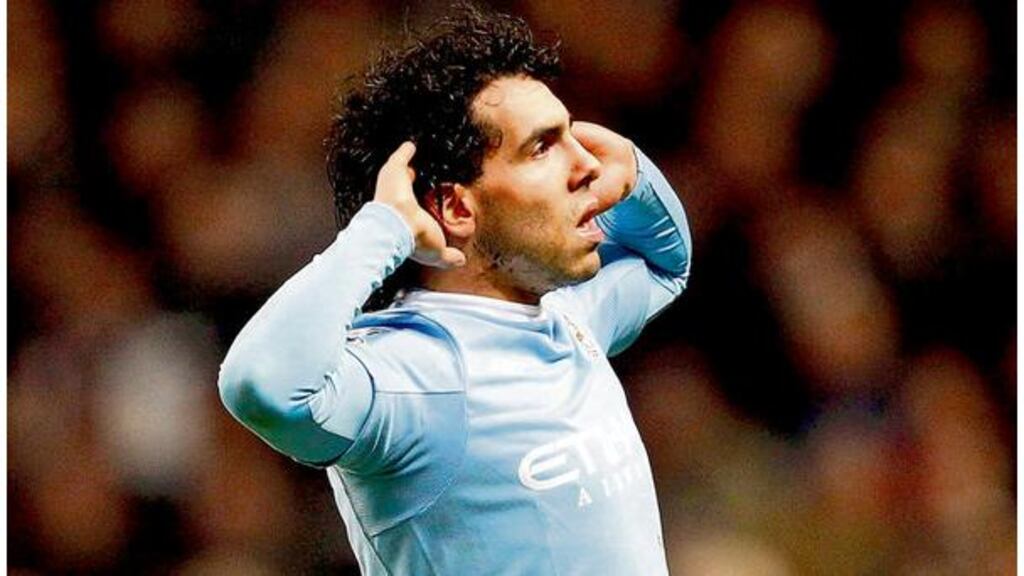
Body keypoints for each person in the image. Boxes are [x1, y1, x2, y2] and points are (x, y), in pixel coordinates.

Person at [218, 4, 691, 575]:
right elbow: (260, 386)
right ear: (456, 207)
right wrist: (381, 230)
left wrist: (634, 173)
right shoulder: (414, 375)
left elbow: (666, 262)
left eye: (573, 135)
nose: (586, 164)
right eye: (542, 147)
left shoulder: (569, 318)